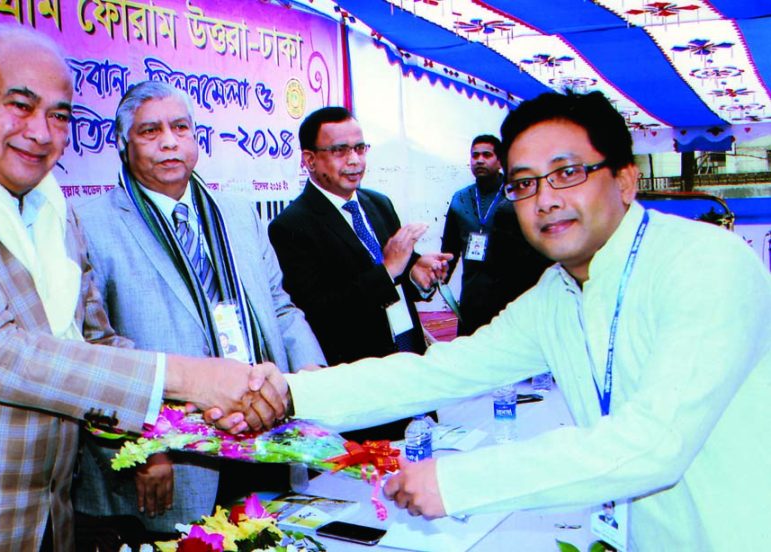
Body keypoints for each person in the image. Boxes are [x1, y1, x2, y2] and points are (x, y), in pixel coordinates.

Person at [272, 91, 771, 548]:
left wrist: (458, 483)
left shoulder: (705, 263)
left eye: (568, 172)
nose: (545, 199)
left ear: (625, 178)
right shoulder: (558, 291)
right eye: (525, 183)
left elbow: (654, 443)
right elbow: (440, 371)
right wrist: (288, 395)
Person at [0, 25, 282, 551]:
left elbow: (94, 343)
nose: (41, 131)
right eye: (20, 105)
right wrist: (190, 378)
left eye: (58, 115)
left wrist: (210, 408)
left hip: (43, 512)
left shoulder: (51, 210)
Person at [73, 81, 326, 539]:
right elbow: (92, 349)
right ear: (122, 143)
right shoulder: (89, 223)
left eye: (181, 127)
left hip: (264, 437)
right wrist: (144, 447)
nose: (170, 141)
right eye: (150, 131)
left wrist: (310, 380)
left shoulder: (237, 212)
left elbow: (281, 307)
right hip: (176, 464)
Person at [267, 106, 450, 441]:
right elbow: (320, 313)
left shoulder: (378, 204)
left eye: (360, 148)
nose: (354, 160)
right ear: (309, 159)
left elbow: (397, 273)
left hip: (410, 363)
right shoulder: (292, 226)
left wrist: (415, 273)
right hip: (361, 384)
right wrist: (389, 269)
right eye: (339, 150)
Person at [440, 135, 550, 335]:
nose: (479, 160)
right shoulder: (460, 199)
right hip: (472, 295)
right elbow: (450, 249)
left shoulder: (516, 196)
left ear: (500, 161)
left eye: (486, 155)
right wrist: (439, 278)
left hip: (509, 296)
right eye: (475, 155)